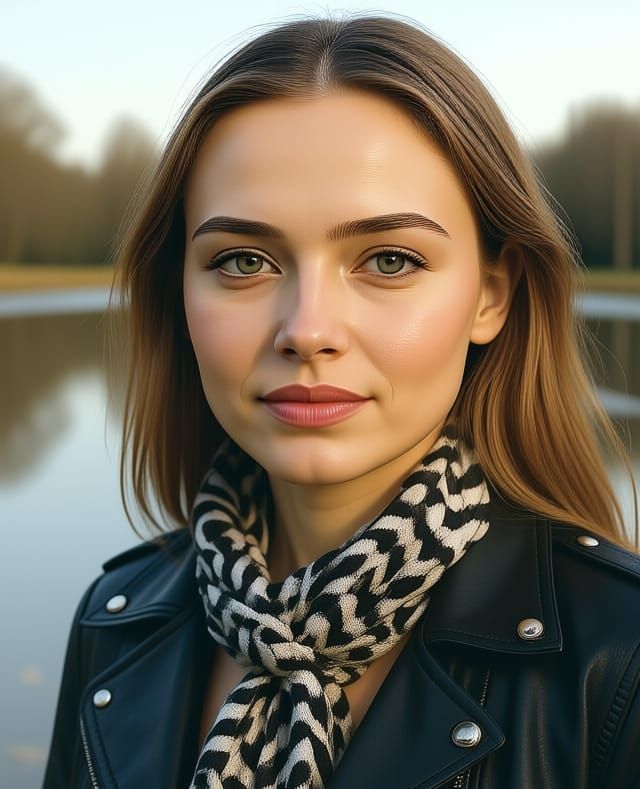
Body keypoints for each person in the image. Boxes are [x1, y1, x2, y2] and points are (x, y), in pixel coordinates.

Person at [43, 12, 640, 789]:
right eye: (243, 260)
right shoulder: (115, 624)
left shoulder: (619, 659)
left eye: (389, 259)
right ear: (178, 297)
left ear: (491, 296)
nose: (309, 330)